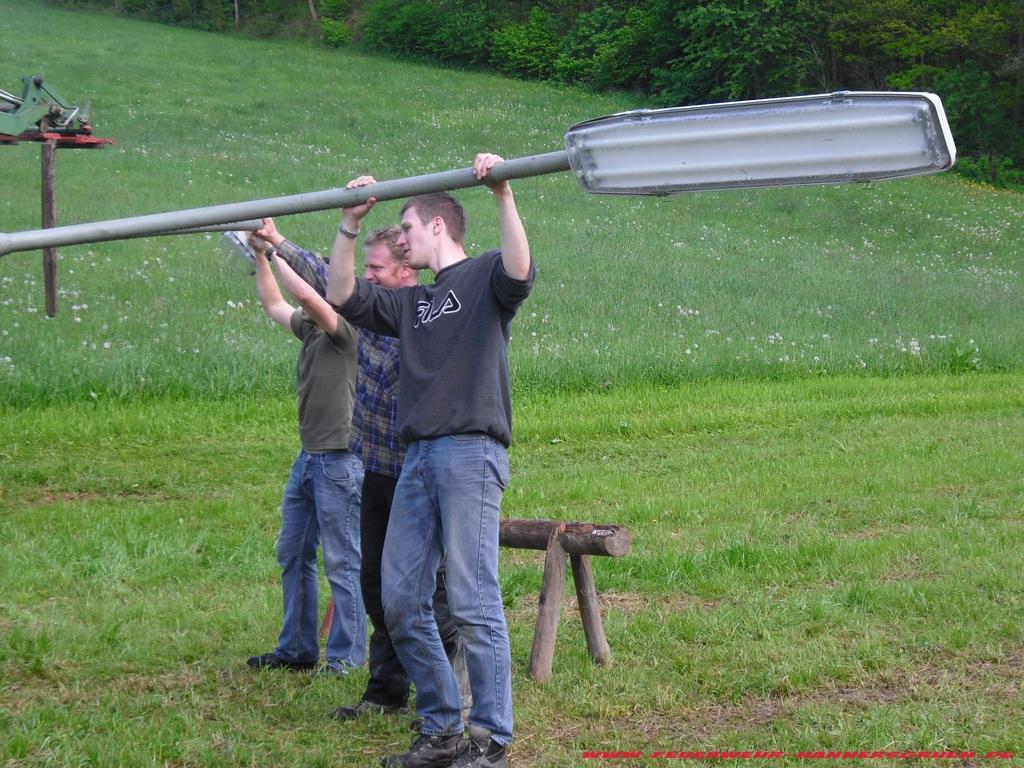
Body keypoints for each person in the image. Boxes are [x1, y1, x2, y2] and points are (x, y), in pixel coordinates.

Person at [326, 153, 533, 768]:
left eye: (408, 227)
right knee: (399, 600)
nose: (404, 239)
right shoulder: (411, 305)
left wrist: (503, 194)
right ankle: (442, 727)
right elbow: (340, 294)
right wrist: (348, 223)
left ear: (437, 227)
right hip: (416, 460)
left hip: (470, 452)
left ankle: (490, 739)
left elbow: (520, 270)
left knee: (472, 600)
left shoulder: (485, 278)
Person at [250, 219, 467, 722]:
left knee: (429, 590)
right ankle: (386, 693)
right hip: (376, 470)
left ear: (406, 271)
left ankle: (453, 698)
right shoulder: (367, 313)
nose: (364, 278)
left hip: (420, 470)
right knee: (374, 583)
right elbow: (325, 280)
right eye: (364, 267)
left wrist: (275, 249)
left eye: (375, 268)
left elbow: (315, 293)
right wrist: (275, 244)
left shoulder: (417, 319)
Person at [244, 220, 366, 677]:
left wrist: (275, 252)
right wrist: (258, 255)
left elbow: (307, 296)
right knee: (292, 550)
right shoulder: (311, 330)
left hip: (340, 461)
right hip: (309, 458)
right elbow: (274, 303)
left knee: (342, 560)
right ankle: (297, 648)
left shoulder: (344, 330)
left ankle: (346, 659)